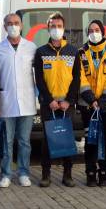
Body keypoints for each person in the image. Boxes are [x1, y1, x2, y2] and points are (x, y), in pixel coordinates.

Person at [0, 13, 37, 188]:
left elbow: (38, 75)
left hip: (27, 102)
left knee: (24, 141)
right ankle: (6, 174)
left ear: (22, 25)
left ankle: (24, 173)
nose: (13, 26)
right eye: (9, 23)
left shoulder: (31, 48)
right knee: (7, 141)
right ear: (4, 27)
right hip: (6, 103)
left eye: (16, 23)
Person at [33, 13, 77, 188]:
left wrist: (70, 100)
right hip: (48, 104)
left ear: (63, 28)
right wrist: (48, 99)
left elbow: (77, 79)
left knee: (67, 138)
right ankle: (46, 175)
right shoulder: (41, 51)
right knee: (47, 139)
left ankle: (68, 175)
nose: (56, 29)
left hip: (67, 104)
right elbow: (39, 79)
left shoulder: (73, 51)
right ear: (48, 28)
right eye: (53, 26)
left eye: (59, 26)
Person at [77, 20, 106, 187]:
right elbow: (80, 77)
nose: (93, 33)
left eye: (96, 30)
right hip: (87, 105)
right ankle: (90, 172)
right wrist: (91, 99)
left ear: (103, 32)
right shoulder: (81, 53)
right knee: (90, 140)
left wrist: (102, 101)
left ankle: (104, 173)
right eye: (90, 30)